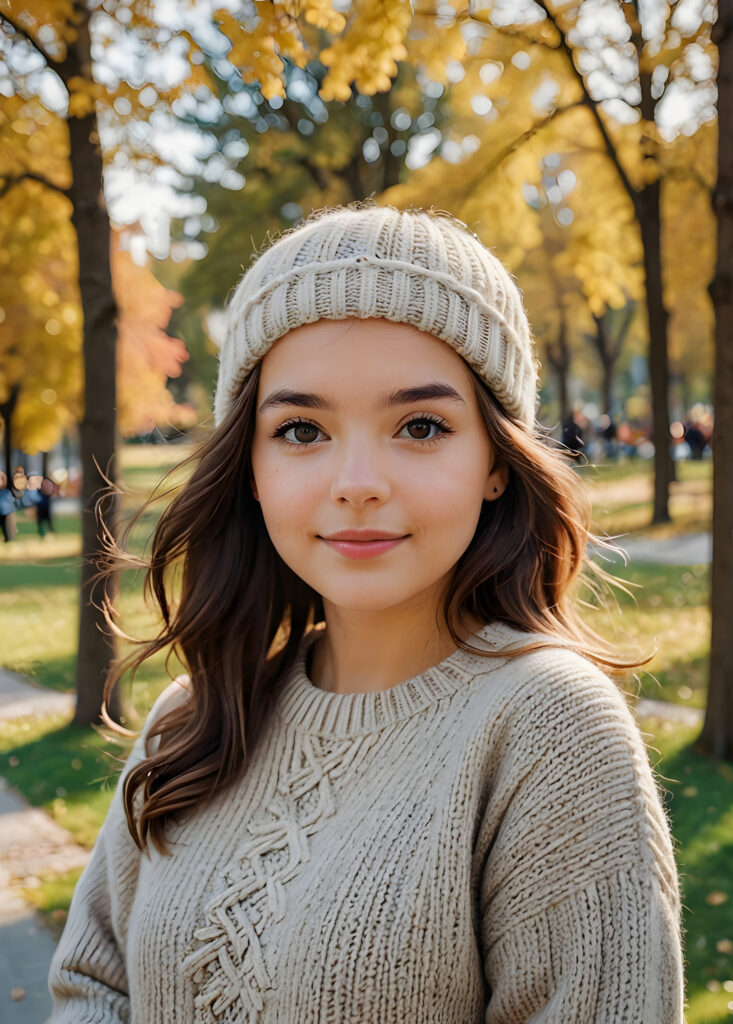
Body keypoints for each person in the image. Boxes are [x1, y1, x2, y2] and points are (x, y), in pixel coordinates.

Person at [48, 202, 686, 1022]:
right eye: (302, 429)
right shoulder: (195, 716)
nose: (356, 481)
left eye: (420, 425)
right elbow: (91, 986)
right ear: (249, 465)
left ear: (496, 461)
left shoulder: (550, 732)